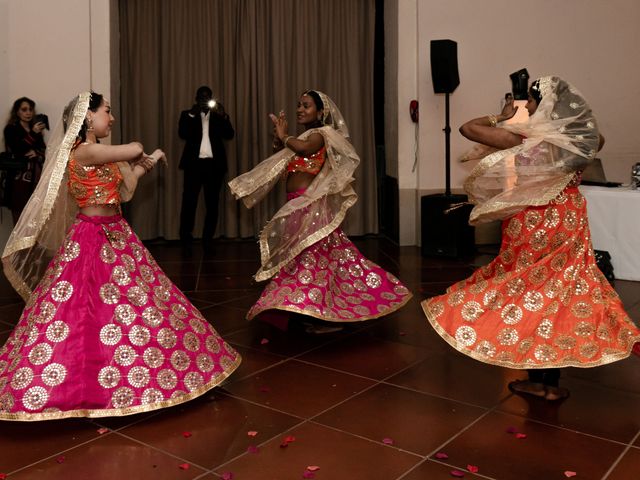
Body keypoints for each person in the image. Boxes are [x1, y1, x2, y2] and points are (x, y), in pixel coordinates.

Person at [0, 92, 240, 421]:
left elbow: (123, 188)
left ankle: (132, 367)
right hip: (92, 235)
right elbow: (132, 149)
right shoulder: (86, 150)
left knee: (135, 302)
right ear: (87, 118)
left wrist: (147, 162)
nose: (111, 118)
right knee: (85, 308)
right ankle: (79, 381)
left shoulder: (99, 155)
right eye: (106, 112)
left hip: (116, 231)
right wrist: (141, 150)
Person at [422, 76, 640, 400]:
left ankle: (537, 381)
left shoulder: (523, 138)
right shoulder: (580, 139)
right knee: (560, 294)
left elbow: (468, 128)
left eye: (533, 101)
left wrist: (504, 116)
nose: (528, 106)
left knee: (527, 293)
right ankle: (548, 384)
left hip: (533, 223)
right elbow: (597, 136)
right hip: (568, 220)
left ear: (545, 104)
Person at [229, 90, 412, 333]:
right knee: (304, 258)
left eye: (306, 105)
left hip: (311, 206)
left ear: (320, 111)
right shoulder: (305, 135)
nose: (299, 110)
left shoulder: (321, 134)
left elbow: (304, 149)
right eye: (298, 105)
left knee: (312, 258)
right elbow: (291, 156)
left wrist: (285, 137)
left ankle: (321, 314)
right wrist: (280, 140)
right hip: (299, 204)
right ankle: (305, 308)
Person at [178, 85, 234, 245]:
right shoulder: (187, 115)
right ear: (196, 99)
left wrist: (223, 116)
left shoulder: (218, 116)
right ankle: (186, 239)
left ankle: (208, 240)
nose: (204, 100)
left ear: (211, 99)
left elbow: (230, 135)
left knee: (212, 204)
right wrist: (191, 114)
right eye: (201, 97)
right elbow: (182, 133)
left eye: (207, 97)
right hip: (193, 166)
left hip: (214, 167)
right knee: (189, 203)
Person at [3, 97, 47, 223]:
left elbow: (44, 150)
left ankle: (32, 243)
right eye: (24, 109)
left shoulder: (36, 128)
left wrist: (37, 152)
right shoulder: (11, 129)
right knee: (19, 216)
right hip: (18, 178)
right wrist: (33, 134)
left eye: (30, 110)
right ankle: (17, 243)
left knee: (34, 216)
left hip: (35, 177)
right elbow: (18, 149)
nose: (28, 112)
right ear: (17, 112)